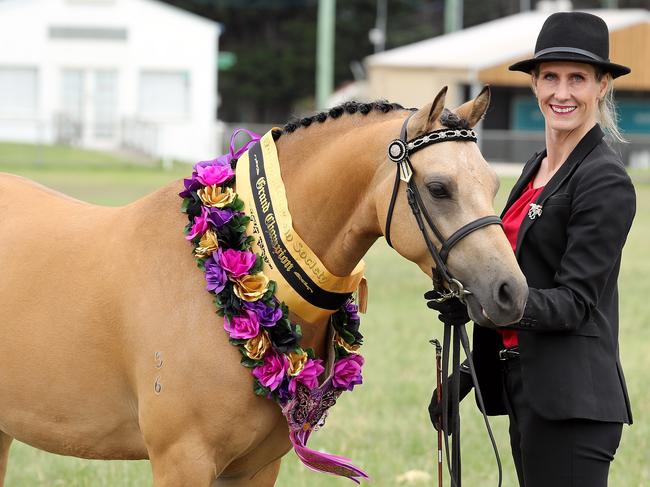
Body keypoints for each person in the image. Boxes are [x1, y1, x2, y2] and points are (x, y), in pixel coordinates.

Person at [427, 11, 636, 487]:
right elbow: (518, 275)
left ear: (602, 86)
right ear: (535, 85)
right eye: (550, 78)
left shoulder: (605, 181)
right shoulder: (536, 167)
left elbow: (574, 303)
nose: (562, 93)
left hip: (572, 403)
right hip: (525, 387)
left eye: (577, 79)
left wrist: (486, 302)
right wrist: (463, 373)